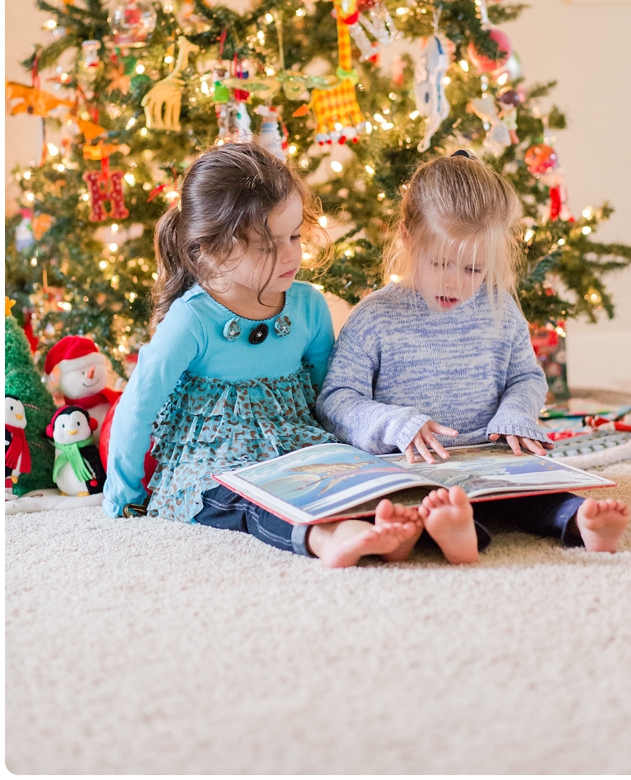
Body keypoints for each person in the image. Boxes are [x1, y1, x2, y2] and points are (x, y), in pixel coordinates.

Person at [103, 143, 422, 567]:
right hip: (214, 460)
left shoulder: (307, 306)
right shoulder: (191, 320)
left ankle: (378, 528)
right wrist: (124, 496)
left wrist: (357, 455)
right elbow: (137, 407)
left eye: (294, 236)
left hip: (296, 444)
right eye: (269, 246)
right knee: (245, 501)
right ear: (214, 250)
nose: (292, 254)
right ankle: (324, 538)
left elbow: (330, 395)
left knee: (343, 474)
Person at [316, 151, 630, 564]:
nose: (455, 283)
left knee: (539, 495)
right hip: (410, 468)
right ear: (408, 238)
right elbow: (336, 401)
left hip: (491, 462)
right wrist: (396, 423)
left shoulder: (501, 309)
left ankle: (581, 522)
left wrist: (516, 414)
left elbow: (527, 378)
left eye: (473, 270)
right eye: (441, 263)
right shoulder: (374, 317)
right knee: (408, 510)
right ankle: (459, 531)